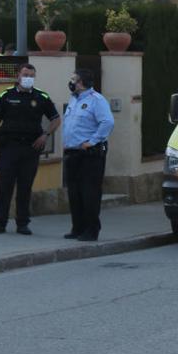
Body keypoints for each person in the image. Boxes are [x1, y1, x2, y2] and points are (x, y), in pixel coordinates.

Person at [0, 64, 61, 235]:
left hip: (30, 148)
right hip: (9, 147)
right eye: (25, 74)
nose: (28, 78)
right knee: (5, 185)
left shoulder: (41, 96)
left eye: (32, 75)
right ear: (18, 76)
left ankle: (22, 223)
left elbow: (56, 119)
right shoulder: (6, 95)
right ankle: (0, 222)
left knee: (25, 186)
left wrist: (45, 135)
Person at [62, 69, 114, 241]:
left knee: (89, 193)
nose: (71, 82)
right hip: (72, 153)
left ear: (82, 83)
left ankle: (91, 230)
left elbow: (107, 122)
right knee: (74, 193)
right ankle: (77, 227)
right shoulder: (74, 99)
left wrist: (92, 141)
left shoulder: (96, 100)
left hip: (89, 154)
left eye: (74, 80)